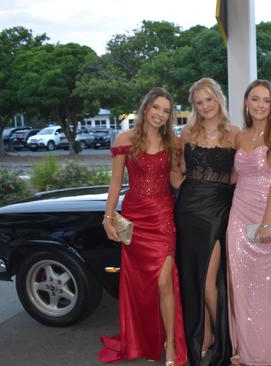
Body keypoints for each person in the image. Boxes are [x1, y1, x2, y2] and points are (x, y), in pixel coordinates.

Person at [99, 87, 187, 365]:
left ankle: (170, 345)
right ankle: (147, 339)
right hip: (134, 219)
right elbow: (115, 183)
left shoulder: (173, 143)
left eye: (166, 110)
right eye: (156, 107)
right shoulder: (125, 139)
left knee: (164, 282)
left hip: (162, 217)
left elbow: (176, 181)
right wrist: (108, 217)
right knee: (141, 285)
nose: (160, 114)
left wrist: (205, 188)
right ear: (146, 108)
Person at [226, 79, 271, 365]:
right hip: (239, 214)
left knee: (270, 286)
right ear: (246, 102)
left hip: (269, 214)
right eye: (255, 99)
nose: (260, 105)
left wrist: (268, 222)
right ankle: (246, 349)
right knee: (241, 284)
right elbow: (234, 176)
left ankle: (270, 351)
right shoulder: (238, 137)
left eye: (266, 100)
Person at [175, 78, 239, 366]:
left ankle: (229, 343)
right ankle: (208, 334)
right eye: (199, 103)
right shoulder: (187, 133)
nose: (205, 106)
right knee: (194, 279)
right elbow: (178, 173)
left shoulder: (235, 133)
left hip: (217, 211)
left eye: (209, 100)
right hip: (189, 209)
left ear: (219, 99)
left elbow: (241, 176)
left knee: (210, 281)